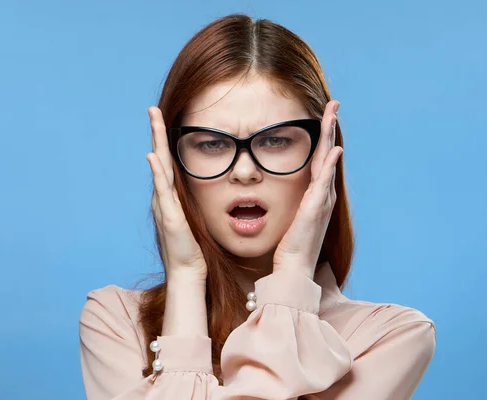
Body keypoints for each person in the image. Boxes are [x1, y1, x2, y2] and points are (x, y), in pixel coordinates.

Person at [78, 13, 436, 400]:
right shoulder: (116, 322)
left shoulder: (387, 338)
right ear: (173, 162)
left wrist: (294, 267)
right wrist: (184, 278)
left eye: (276, 141)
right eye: (211, 143)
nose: (245, 171)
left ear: (322, 156)